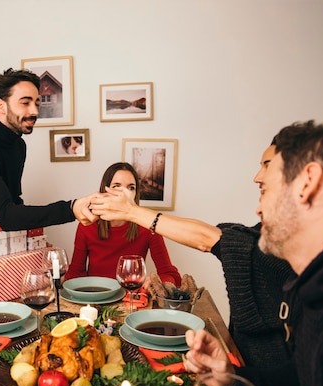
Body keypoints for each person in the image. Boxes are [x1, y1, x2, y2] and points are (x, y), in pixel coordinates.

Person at [183, 121, 323, 386]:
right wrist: (231, 377)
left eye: (265, 190)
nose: (258, 210)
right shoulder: (322, 285)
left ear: (308, 183)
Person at [90, 144, 293, 368]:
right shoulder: (263, 238)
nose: (257, 177)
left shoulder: (284, 258)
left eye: (267, 165)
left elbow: (211, 240)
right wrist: (229, 373)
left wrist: (131, 212)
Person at [0, 68, 98, 310]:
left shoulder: (18, 146)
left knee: (18, 317)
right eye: (25, 103)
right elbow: (6, 214)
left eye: (36, 103)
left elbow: (14, 202)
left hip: (6, 247)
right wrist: (70, 209)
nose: (35, 111)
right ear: (1, 106)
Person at [65, 162, 181, 286]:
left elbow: (170, 274)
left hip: (131, 297)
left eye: (131, 188)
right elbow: (76, 272)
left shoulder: (148, 225)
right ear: (105, 190)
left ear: (135, 194)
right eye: (116, 186)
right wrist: (57, 279)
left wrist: (156, 282)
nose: (124, 194)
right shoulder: (87, 224)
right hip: (96, 297)